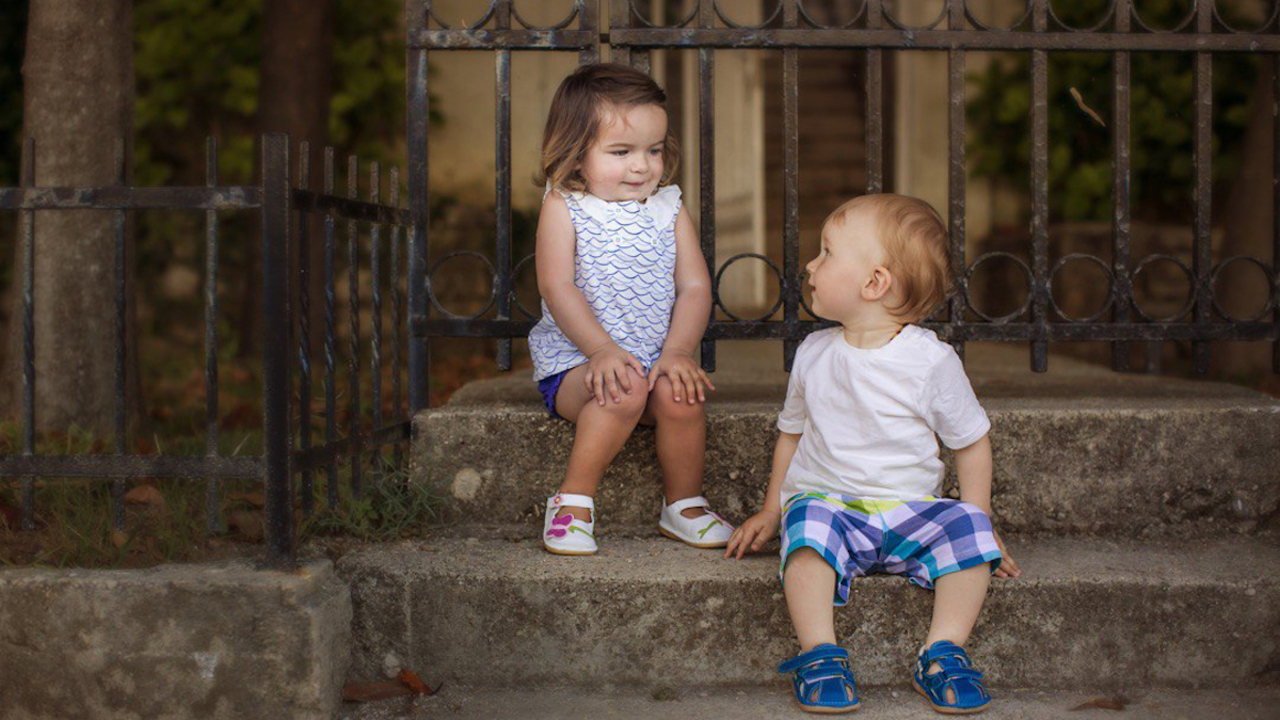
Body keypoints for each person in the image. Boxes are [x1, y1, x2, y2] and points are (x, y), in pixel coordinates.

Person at [726, 194, 1022, 714]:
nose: (811, 266)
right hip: (833, 507)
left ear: (873, 283)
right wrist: (774, 509)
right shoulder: (814, 356)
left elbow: (971, 441)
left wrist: (981, 516)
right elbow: (791, 435)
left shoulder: (930, 362)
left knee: (968, 529)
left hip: (910, 510)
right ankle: (820, 652)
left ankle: (943, 651)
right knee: (807, 530)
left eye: (825, 253)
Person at [530, 63, 731, 556]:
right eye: (621, 152)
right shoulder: (564, 205)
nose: (642, 166)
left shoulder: (668, 207)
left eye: (654, 150)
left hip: (656, 359)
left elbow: (694, 285)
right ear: (577, 156)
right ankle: (572, 502)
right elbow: (557, 287)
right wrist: (599, 349)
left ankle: (683, 504)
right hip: (578, 365)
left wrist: (680, 350)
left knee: (682, 396)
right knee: (621, 391)